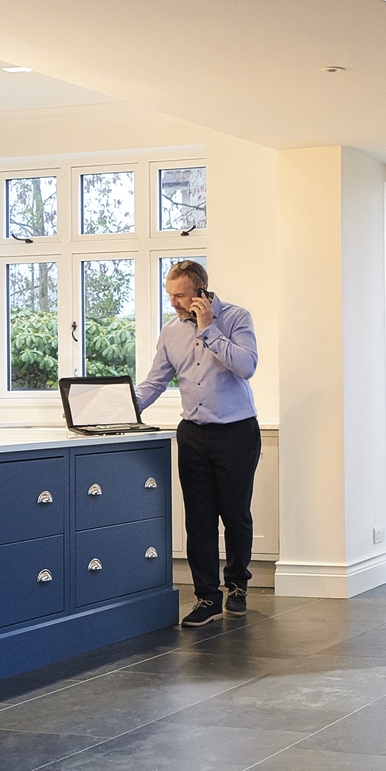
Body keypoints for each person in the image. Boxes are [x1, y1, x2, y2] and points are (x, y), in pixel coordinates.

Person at [133, 261, 260, 630]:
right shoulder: (170, 331)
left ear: (201, 291)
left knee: (235, 515)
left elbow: (247, 366)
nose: (173, 302)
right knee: (199, 520)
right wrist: (118, 409)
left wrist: (208, 330)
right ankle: (207, 597)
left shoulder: (236, 318)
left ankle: (237, 585)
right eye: (169, 295)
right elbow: (154, 383)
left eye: (179, 295)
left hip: (237, 432)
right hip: (193, 434)